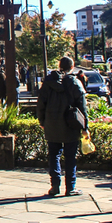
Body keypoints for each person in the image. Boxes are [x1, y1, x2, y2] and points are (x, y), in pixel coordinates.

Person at [36, 56, 88, 196]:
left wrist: (42, 121)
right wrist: (85, 128)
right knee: (70, 157)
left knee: (54, 156)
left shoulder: (48, 82)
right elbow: (82, 108)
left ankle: (55, 186)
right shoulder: (75, 83)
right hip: (71, 124)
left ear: (59, 66)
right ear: (72, 67)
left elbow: (40, 104)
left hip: (52, 124)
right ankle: (70, 187)